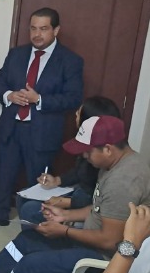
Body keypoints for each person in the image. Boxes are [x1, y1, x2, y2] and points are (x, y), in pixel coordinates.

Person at [0, 115, 150, 273]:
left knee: (29, 266)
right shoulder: (113, 164)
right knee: (24, 241)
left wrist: (64, 231)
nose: (84, 155)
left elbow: (109, 241)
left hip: (101, 257)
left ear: (107, 149)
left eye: (88, 151)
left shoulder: (123, 181)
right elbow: (100, 208)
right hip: (88, 241)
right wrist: (65, 215)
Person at [0, 7, 84, 230]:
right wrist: (9, 95)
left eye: (43, 29)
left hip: (43, 131)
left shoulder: (70, 60)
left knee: (39, 180)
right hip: (11, 127)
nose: (37, 34)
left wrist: (39, 99)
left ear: (56, 30)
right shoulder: (16, 54)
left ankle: (35, 223)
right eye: (33, 28)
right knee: (4, 174)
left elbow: (73, 98)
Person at [18, 96, 121, 226]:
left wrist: (66, 202)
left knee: (30, 209)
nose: (75, 115)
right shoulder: (88, 141)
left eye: (79, 113)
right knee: (23, 197)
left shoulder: (102, 154)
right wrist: (57, 181)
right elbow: (79, 171)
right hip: (78, 194)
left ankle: (45, 237)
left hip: (84, 203)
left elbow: (97, 199)